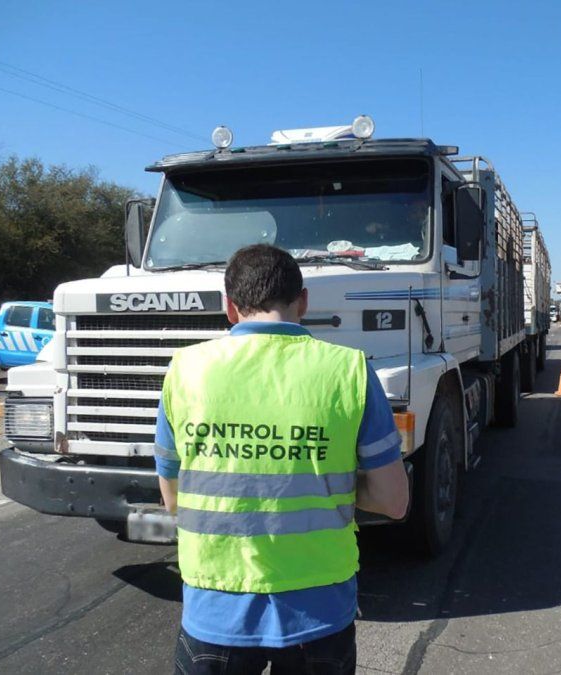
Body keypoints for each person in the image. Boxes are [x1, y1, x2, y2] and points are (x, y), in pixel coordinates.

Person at [155, 244, 409, 674]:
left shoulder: (185, 369)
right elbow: (394, 502)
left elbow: (174, 499)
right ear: (303, 301)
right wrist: (328, 483)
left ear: (230, 307)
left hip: (215, 610)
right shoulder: (349, 371)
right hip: (319, 611)